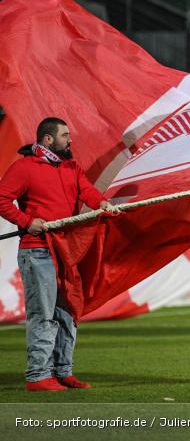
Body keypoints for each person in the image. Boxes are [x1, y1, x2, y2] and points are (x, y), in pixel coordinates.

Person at [0, 117, 117, 391]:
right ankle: (38, 375)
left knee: (67, 312)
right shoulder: (24, 168)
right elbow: (1, 199)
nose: (70, 139)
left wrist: (102, 203)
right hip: (37, 251)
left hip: (66, 250)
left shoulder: (72, 166)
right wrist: (28, 222)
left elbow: (87, 190)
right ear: (48, 139)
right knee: (44, 314)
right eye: (65, 135)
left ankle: (63, 371)